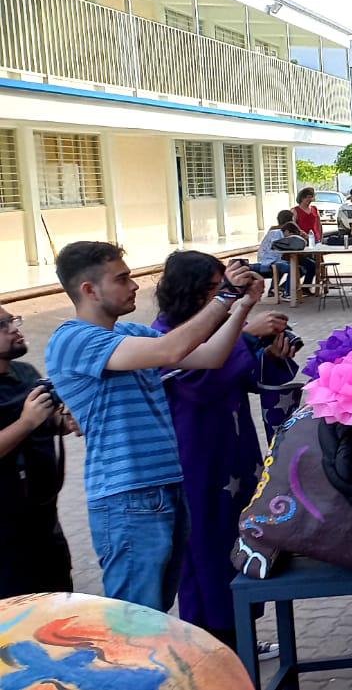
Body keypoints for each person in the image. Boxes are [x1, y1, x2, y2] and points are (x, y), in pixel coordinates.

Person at [44, 241, 263, 611]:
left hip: (164, 488)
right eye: (122, 279)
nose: (134, 286)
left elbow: (210, 356)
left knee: (154, 616)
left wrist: (242, 305)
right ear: (89, 290)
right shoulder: (73, 339)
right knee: (135, 618)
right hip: (127, 497)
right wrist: (225, 296)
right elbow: (170, 351)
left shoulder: (130, 333)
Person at [153, 251, 292, 657]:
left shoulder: (220, 328)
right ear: (190, 292)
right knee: (206, 553)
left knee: (239, 541)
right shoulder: (164, 336)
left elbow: (245, 375)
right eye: (216, 290)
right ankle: (211, 647)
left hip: (236, 454)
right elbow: (201, 379)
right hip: (198, 462)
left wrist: (270, 354)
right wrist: (246, 334)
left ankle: (240, 635)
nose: (223, 298)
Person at [0, 303, 79, 598]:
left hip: (45, 524)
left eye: (13, 320)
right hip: (6, 541)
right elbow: (29, 423)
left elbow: (47, 424)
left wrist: (65, 420)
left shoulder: (25, 374)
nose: (14, 328)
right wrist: (26, 422)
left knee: (60, 604)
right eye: (3, 325)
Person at [254, 210, 317, 297]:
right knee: (300, 267)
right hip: (274, 259)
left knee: (308, 265)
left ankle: (280, 288)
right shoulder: (279, 231)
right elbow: (281, 248)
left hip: (284, 257)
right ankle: (286, 290)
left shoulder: (283, 229)